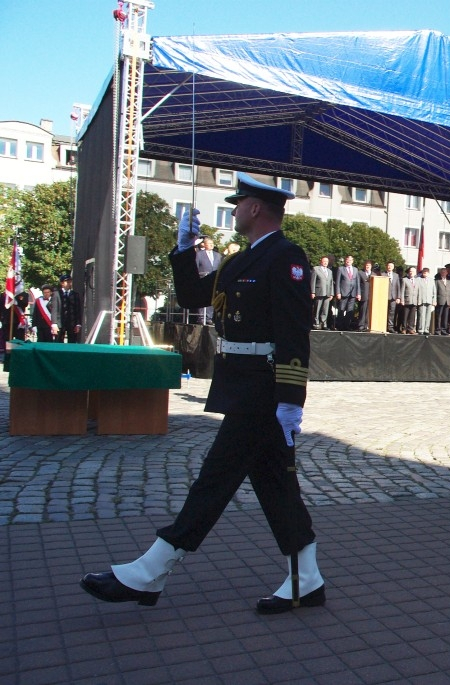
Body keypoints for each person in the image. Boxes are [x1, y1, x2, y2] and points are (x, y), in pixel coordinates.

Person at [79, 173, 325, 614]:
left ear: (255, 208)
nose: (233, 210)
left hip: (264, 390)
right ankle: (306, 579)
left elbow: (294, 331)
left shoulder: (287, 258)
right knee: (275, 485)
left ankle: (151, 570)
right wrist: (184, 250)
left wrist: (291, 398)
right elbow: (195, 293)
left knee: (215, 478)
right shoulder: (238, 261)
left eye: (238, 203)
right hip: (242, 385)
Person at [195, 237, 223, 324]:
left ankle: (209, 317)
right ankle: (201, 317)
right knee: (202, 297)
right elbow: (195, 266)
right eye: (209, 243)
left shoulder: (218, 255)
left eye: (212, 243)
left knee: (212, 297)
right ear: (205, 244)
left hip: (214, 279)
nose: (211, 245)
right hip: (203, 278)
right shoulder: (199, 254)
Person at [334, 255, 359, 331]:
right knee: (341, 309)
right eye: (347, 260)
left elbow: (357, 282)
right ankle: (340, 325)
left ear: (352, 261)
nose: (348, 261)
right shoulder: (341, 269)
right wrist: (338, 292)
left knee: (350, 310)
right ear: (345, 261)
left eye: (350, 260)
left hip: (353, 293)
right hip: (343, 292)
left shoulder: (355, 269)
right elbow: (337, 282)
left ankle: (347, 325)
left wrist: (359, 293)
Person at [56, 274, 82, 343]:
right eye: (66, 281)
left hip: (72, 323)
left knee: (72, 341)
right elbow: (54, 309)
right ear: (62, 283)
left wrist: (78, 324)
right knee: (58, 341)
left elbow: (78, 310)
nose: (68, 283)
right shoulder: (57, 294)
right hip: (60, 323)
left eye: (70, 281)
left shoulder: (75, 294)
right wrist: (54, 323)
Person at [310, 256, 334, 330]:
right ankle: (316, 323)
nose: (325, 263)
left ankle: (323, 323)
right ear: (321, 261)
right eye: (324, 261)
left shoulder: (330, 271)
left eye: (327, 261)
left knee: (325, 309)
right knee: (317, 308)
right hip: (319, 292)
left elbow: (331, 283)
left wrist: (332, 293)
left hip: (327, 293)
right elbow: (313, 281)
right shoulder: (316, 269)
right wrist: (312, 292)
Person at [416, 268, 436, 334]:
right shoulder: (418, 279)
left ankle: (426, 329)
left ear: (428, 273)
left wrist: (434, 300)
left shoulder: (432, 280)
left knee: (428, 316)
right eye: (424, 272)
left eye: (426, 272)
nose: (425, 273)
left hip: (429, 300)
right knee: (422, 315)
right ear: (422, 272)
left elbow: (434, 291)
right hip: (421, 300)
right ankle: (421, 329)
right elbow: (416, 290)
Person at [435, 266, 450, 335]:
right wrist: (435, 300)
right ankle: (438, 329)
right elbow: (435, 291)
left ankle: (444, 329)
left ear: (447, 273)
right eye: (442, 272)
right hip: (440, 300)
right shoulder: (437, 281)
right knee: (439, 316)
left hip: (447, 301)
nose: (443, 273)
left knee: (446, 316)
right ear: (440, 273)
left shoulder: (449, 281)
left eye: (445, 272)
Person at [384, 261, 401, 333]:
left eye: (391, 266)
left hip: (393, 297)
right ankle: (383, 326)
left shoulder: (396, 275)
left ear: (393, 267)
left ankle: (390, 327)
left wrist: (398, 297)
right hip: (384, 297)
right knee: (384, 312)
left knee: (392, 313)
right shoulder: (382, 274)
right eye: (388, 265)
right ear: (386, 266)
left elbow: (398, 286)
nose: (389, 267)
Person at [401, 266, 419, 334]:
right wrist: (402, 300)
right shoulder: (405, 280)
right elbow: (402, 290)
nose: (411, 273)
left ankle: (410, 329)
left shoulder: (417, 280)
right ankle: (404, 328)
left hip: (414, 301)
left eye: (413, 271)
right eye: (410, 271)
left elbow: (418, 291)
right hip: (407, 300)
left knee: (412, 316)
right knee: (405, 315)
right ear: (408, 272)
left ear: (415, 273)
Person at [357, 260, 374, 331]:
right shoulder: (360, 273)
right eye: (366, 265)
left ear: (371, 267)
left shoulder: (374, 274)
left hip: (372, 296)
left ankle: (367, 325)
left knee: (369, 311)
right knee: (362, 310)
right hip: (363, 295)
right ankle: (361, 325)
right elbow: (357, 284)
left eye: (369, 266)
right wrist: (358, 294)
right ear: (364, 266)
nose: (367, 267)